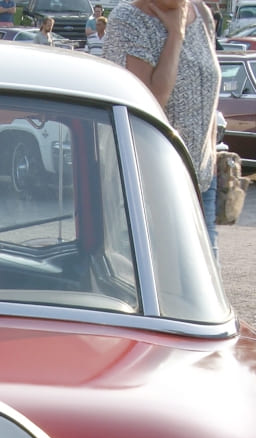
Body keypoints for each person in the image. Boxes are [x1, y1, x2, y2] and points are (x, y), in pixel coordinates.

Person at [103, 0, 219, 258]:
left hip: (201, 180)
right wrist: (175, 37)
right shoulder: (129, 19)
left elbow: (210, 85)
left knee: (205, 284)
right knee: (165, 287)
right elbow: (150, 102)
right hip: (151, 184)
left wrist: (211, 153)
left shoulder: (201, 14)